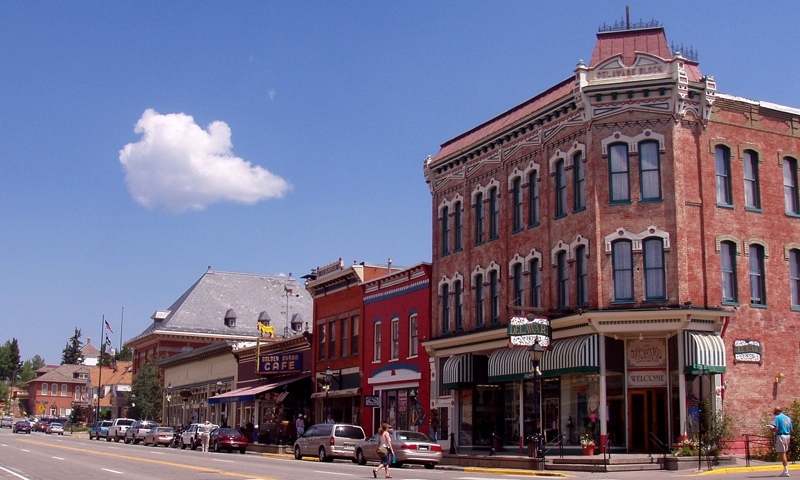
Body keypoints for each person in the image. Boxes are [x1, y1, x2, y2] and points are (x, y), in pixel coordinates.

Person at [768, 407, 793, 477]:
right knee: (785, 452)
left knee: (782, 453)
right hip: (788, 435)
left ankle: (786, 470)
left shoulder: (777, 418)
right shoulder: (788, 418)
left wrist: (771, 429)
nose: (774, 414)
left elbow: (776, 428)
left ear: (777, 411)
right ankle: (785, 469)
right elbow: (792, 430)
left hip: (781, 436)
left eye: (775, 412)